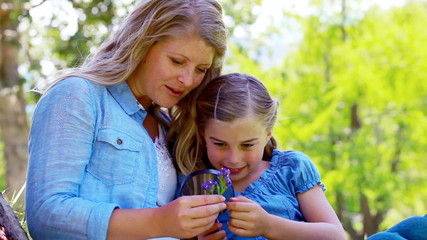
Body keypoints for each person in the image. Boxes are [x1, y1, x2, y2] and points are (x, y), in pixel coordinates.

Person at [25, 0, 228, 239]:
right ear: (143, 44)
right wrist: (159, 221)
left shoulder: (170, 129)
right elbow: (47, 215)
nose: (187, 79)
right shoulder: (78, 95)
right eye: (177, 61)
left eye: (200, 69)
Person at [171, 73, 347, 240]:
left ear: (267, 135)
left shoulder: (291, 169)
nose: (233, 159)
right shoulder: (195, 187)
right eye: (220, 144)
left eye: (247, 145)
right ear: (203, 134)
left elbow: (336, 235)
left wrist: (269, 226)